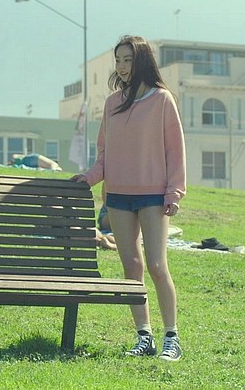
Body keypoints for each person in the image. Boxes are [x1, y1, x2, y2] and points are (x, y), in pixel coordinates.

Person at [70, 35, 186, 361]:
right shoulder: (112, 103)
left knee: (157, 265)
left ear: (141, 61)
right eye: (118, 60)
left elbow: (175, 150)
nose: (121, 67)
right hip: (118, 196)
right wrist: (89, 178)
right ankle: (144, 335)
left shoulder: (162, 100)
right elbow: (104, 154)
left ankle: (172, 337)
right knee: (132, 267)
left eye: (128, 60)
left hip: (153, 195)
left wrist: (174, 191)